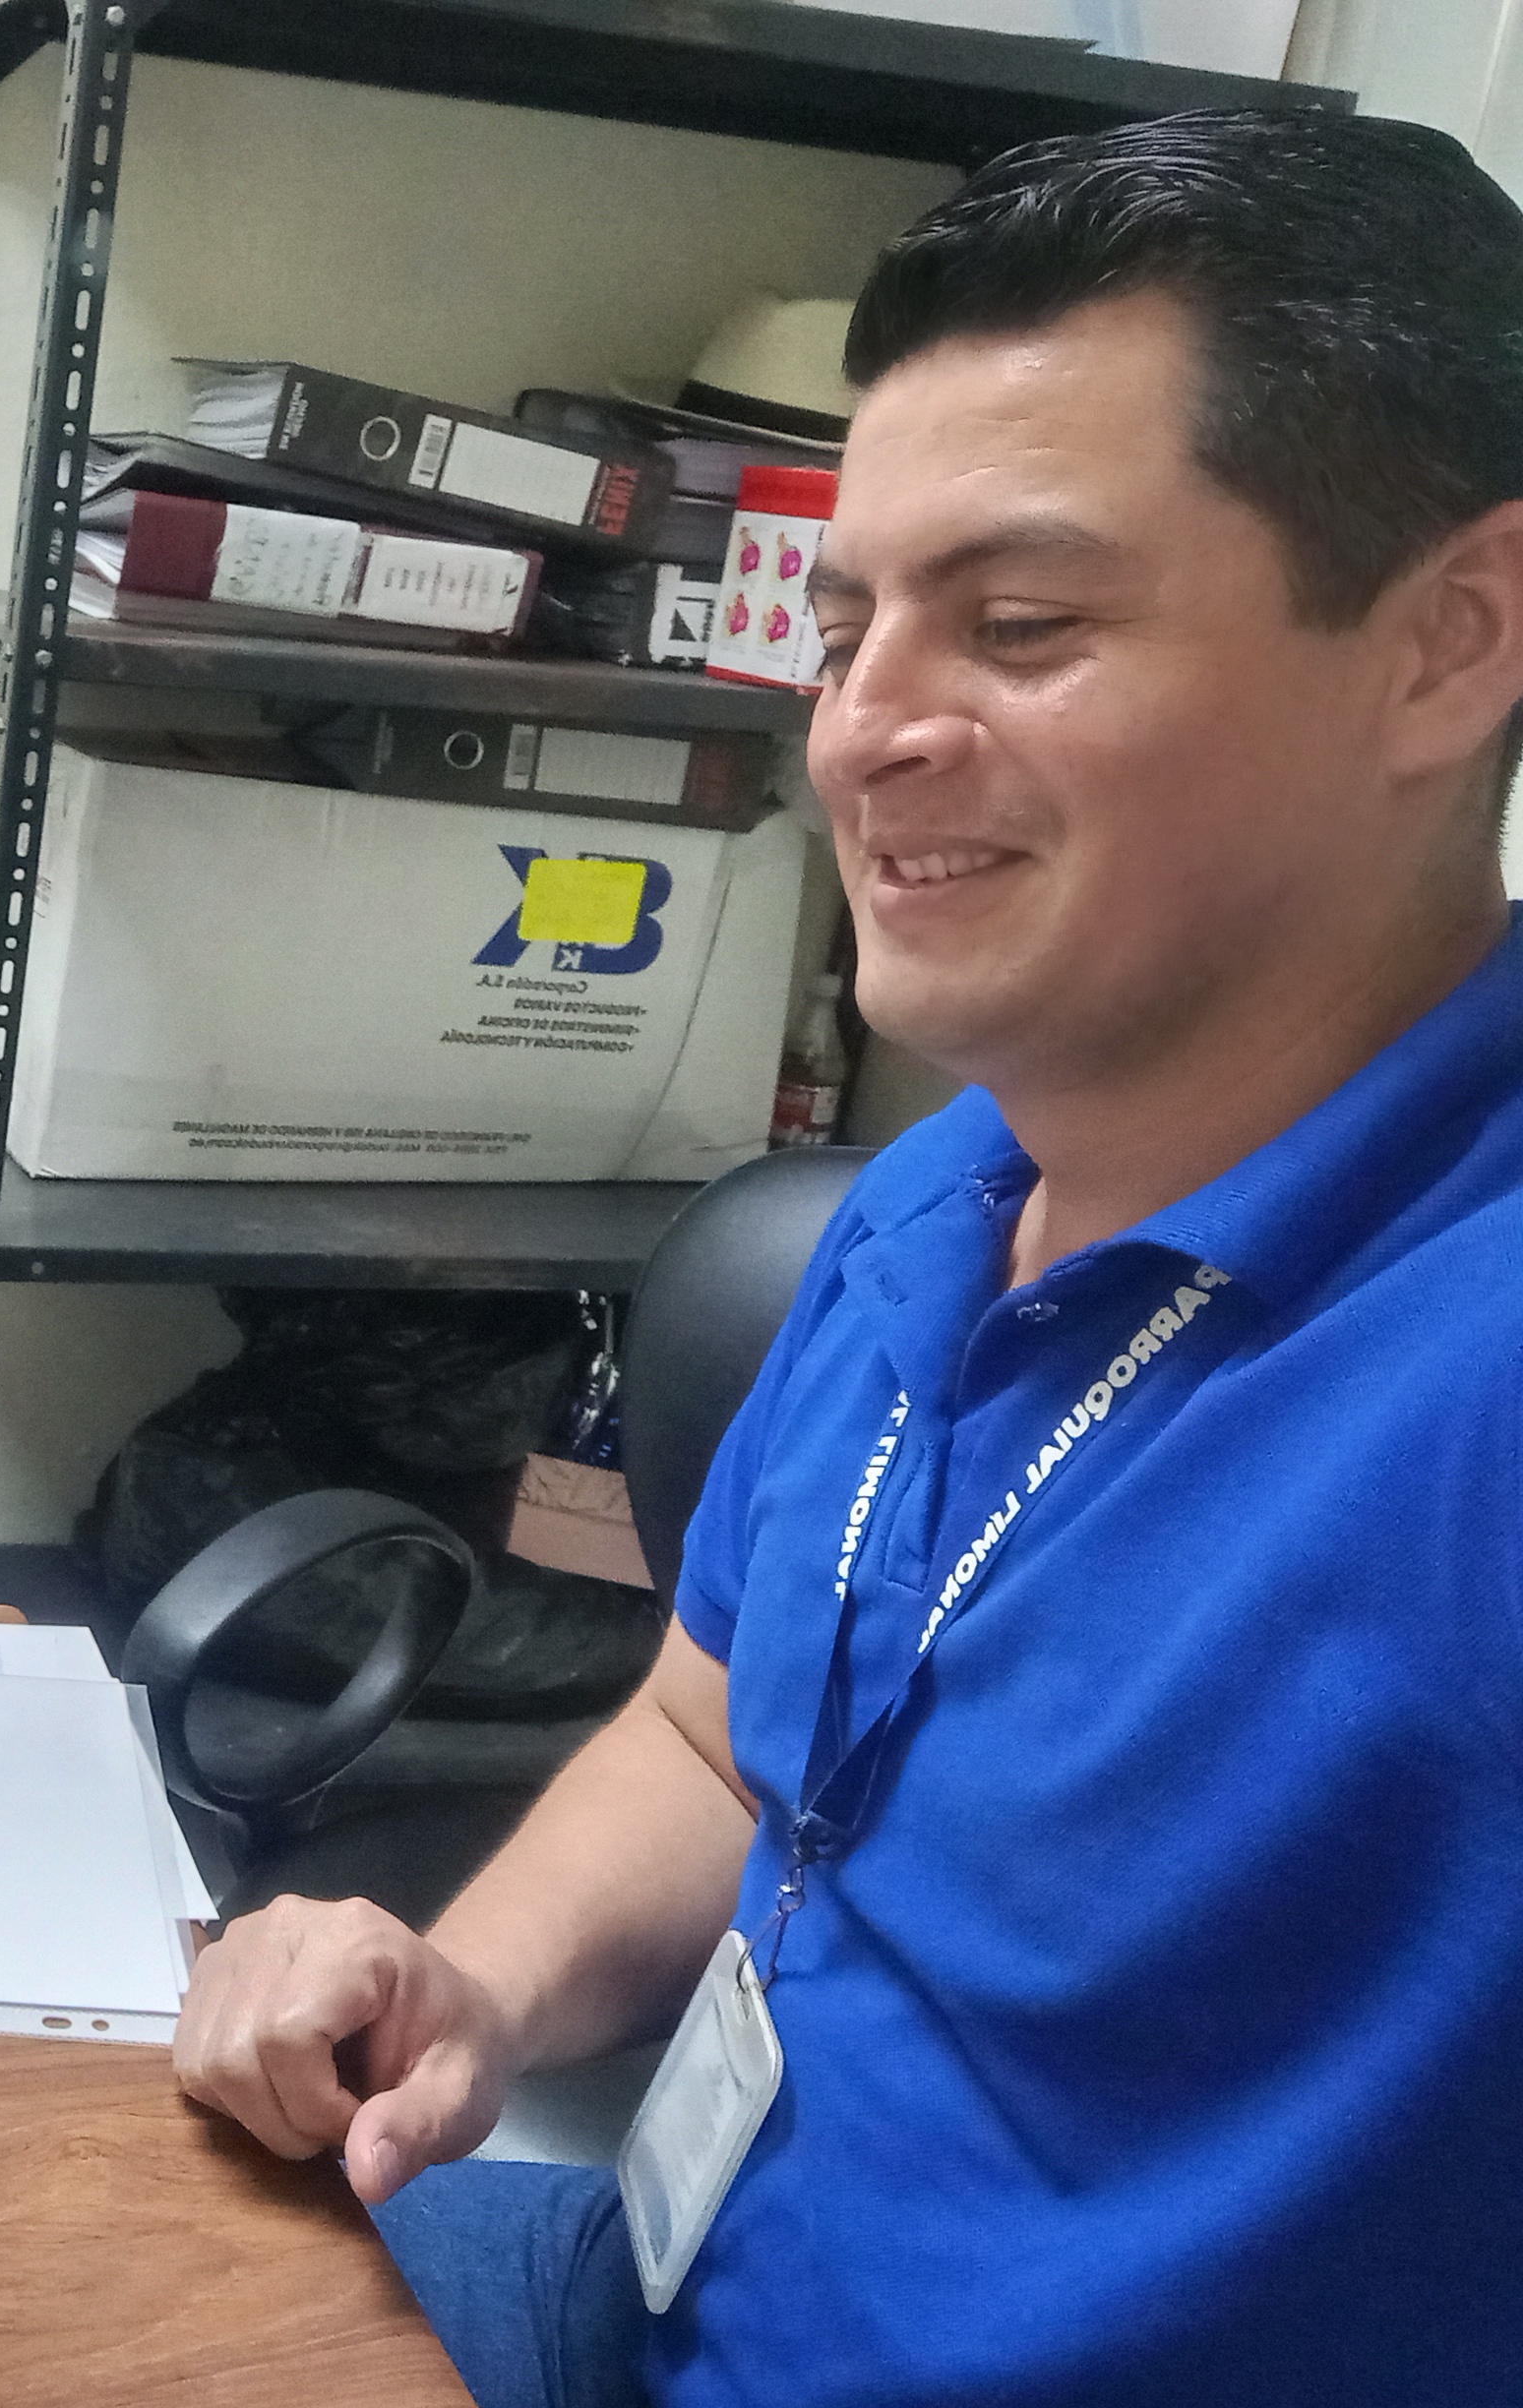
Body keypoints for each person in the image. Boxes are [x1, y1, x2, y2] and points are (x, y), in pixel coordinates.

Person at [172, 108, 1523, 2408]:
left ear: (1450, 642)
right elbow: (719, 1740)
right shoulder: (945, 1191)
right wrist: (473, 1985)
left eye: (1019, 625)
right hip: (654, 2294)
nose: (865, 732)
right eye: (841, 627)